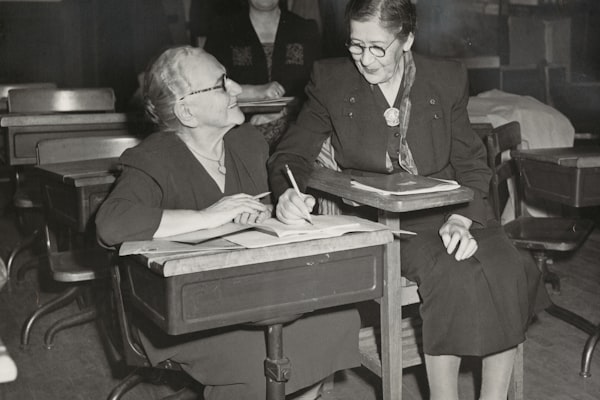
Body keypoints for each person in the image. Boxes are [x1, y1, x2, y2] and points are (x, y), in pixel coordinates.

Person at [268, 1, 547, 399]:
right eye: (355, 45)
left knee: (506, 267)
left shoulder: (445, 78)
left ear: (407, 40)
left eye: (378, 47)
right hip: (384, 221)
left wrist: (461, 218)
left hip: (454, 208)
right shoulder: (330, 80)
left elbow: (469, 160)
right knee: (453, 275)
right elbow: (290, 155)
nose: (364, 59)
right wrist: (287, 193)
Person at [95, 46, 360, 400]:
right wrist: (207, 217)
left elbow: (267, 203)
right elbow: (111, 223)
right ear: (187, 111)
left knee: (334, 319)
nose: (237, 89)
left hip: (253, 295)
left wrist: (282, 208)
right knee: (262, 359)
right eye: (222, 84)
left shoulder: (246, 141)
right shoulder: (153, 158)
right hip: (185, 312)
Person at [204, 0, 321, 150]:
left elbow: (319, 89)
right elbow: (209, 88)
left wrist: (283, 113)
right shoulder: (223, 30)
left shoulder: (305, 29)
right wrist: (255, 91)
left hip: (295, 127)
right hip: (237, 129)